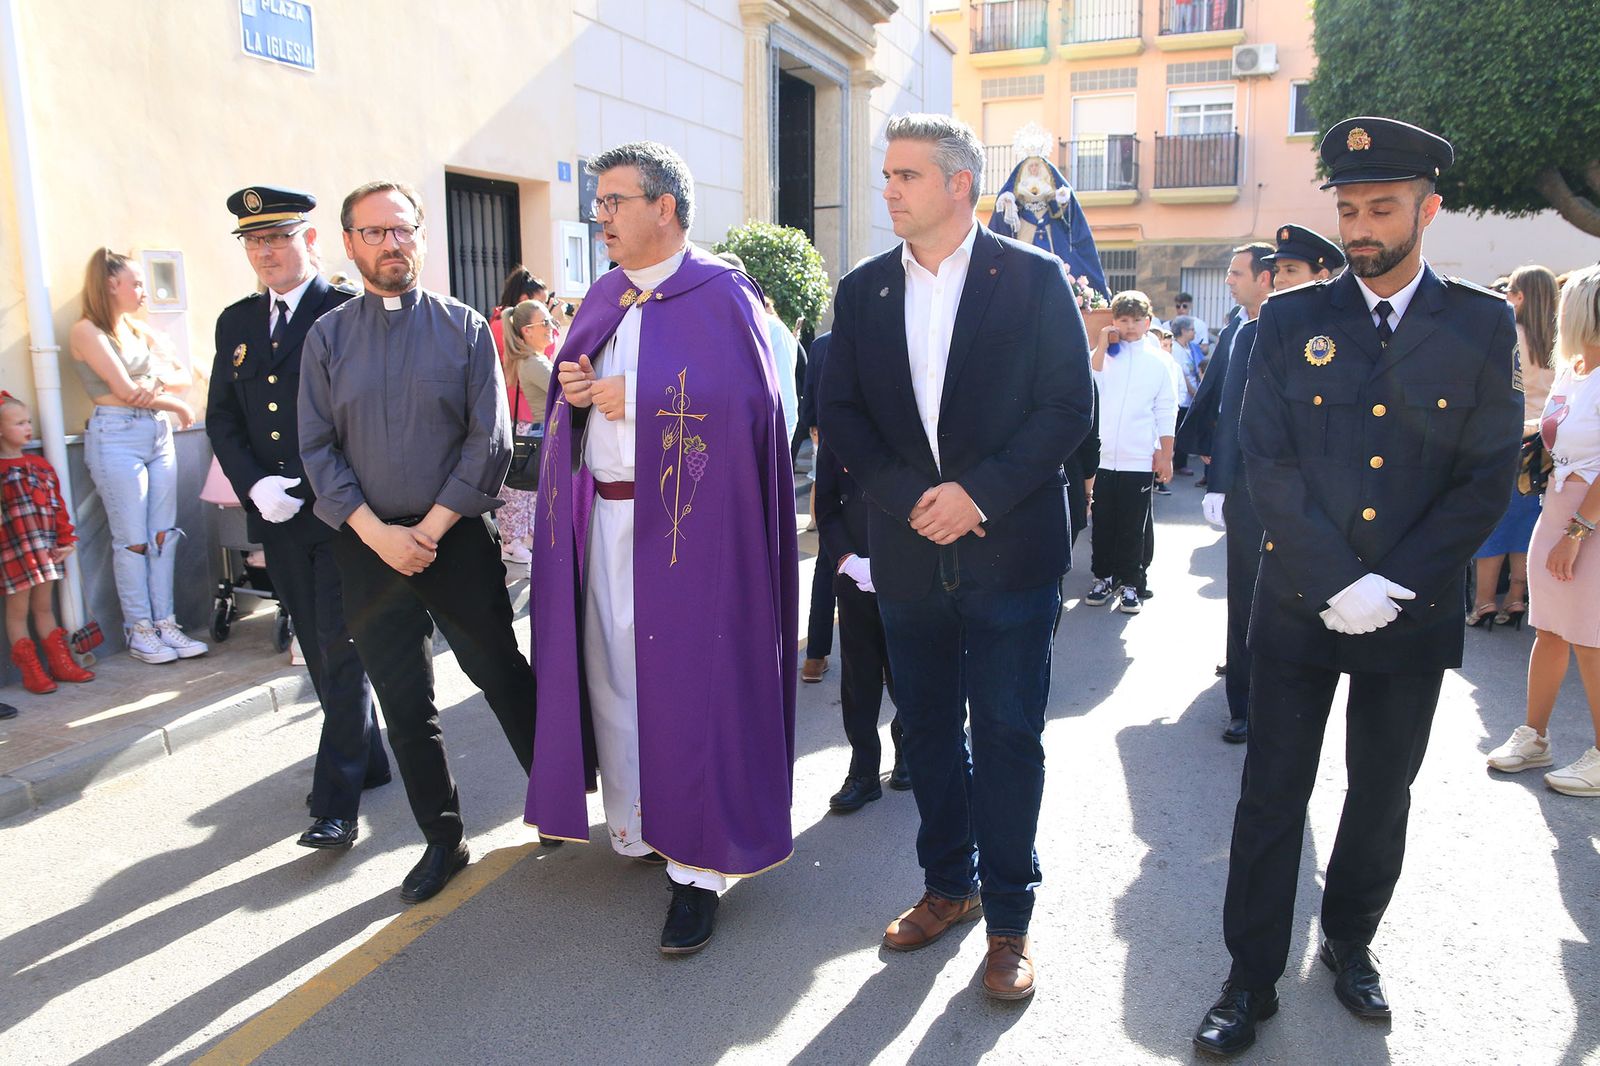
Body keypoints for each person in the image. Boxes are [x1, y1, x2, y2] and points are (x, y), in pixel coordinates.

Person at [1193, 117, 1522, 1055]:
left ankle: (1350, 942)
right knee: (1270, 795)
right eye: (1348, 209)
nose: (1362, 227)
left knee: (1382, 792)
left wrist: (1397, 585)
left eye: (1382, 208)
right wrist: (1338, 580)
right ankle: (1250, 976)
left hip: (1410, 613)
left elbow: (1484, 477)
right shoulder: (1292, 319)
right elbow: (1270, 460)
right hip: (1301, 602)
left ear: (1430, 207)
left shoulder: (1479, 322)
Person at [822, 113, 1092, 1001]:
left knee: (1010, 735)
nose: (889, 189)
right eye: (887, 175)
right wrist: (911, 499)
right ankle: (951, 885)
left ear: (959, 185)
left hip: (1009, 550)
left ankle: (1010, 922)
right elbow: (845, 417)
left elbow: (1064, 409)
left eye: (905, 175)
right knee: (927, 731)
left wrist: (978, 493)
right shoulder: (862, 293)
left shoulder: (1036, 278)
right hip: (906, 556)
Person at [524, 142, 798, 956]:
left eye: (613, 202)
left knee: (694, 687)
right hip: (606, 521)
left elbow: (750, 407)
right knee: (616, 673)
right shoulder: (606, 293)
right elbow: (586, 391)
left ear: (665, 208)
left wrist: (631, 400)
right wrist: (579, 395)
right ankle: (641, 823)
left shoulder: (721, 293)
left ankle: (701, 870)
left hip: (693, 535)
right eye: (598, 204)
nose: (598, 217)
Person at [299, 180, 537, 904]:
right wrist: (377, 534)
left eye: (402, 230)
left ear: (422, 236)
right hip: (367, 550)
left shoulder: (464, 329)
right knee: (405, 706)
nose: (390, 244)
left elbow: (488, 438)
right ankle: (443, 839)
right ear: (349, 244)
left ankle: (561, 804)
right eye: (374, 233)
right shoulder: (328, 338)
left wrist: (428, 531)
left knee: (502, 675)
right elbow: (316, 448)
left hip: (454, 539)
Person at [207, 185, 390, 851]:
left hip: (340, 516)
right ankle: (368, 759)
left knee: (341, 651)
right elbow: (221, 417)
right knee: (317, 649)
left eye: (279, 237)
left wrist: (322, 490)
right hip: (278, 518)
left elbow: (365, 417)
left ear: (310, 241)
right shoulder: (237, 323)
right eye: (255, 240)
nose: (266, 250)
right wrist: (255, 485)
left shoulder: (343, 311)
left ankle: (334, 804)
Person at [1205, 230, 1343, 744]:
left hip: (1319, 496)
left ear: (1321, 276)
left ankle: (1296, 703)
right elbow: (1230, 417)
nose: (1281, 279)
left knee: (1310, 599)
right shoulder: (1252, 331)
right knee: (1248, 596)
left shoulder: (1343, 334)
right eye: (1278, 270)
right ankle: (1243, 702)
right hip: (1253, 491)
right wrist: (1219, 484)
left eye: (1293, 271)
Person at [1485, 264, 1600, 796]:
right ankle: (1535, 735)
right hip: (1558, 508)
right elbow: (1553, 429)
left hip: (1586, 517)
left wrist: (1577, 532)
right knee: (1550, 627)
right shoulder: (1575, 369)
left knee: (1590, 638)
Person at [69, 249, 208, 664]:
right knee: (132, 541)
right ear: (111, 284)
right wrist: (175, 404)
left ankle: (166, 624)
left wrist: (154, 386)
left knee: (163, 535)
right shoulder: (87, 331)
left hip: (155, 432)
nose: (144, 291)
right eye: (136, 282)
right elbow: (124, 389)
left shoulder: (137, 330)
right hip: (116, 434)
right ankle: (140, 630)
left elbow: (185, 374)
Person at [814, 436, 907, 811]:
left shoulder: (906, 419)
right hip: (853, 575)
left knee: (907, 672)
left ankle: (909, 747)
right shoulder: (839, 431)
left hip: (907, 574)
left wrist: (894, 561)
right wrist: (848, 559)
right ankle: (864, 770)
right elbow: (826, 506)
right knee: (859, 678)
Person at [1468, 265, 1559, 628]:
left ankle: (1484, 601)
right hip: (1548, 440)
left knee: (1492, 523)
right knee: (1527, 525)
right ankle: (1517, 598)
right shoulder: (1560, 338)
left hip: (1508, 436)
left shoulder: (1511, 334)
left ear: (1519, 296)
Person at [1085, 290, 1177, 615]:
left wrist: (1165, 454)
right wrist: (1101, 343)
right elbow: (1091, 383)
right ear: (1114, 321)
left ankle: (1130, 584)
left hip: (1138, 458)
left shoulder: (1159, 362)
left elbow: (1166, 410)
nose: (1131, 326)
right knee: (1103, 522)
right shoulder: (1104, 356)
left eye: (1137, 320)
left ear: (1148, 322)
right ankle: (1102, 577)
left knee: (1132, 525)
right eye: (1124, 320)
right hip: (1104, 458)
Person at [0, 394, 96, 696]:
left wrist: (66, 539)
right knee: (18, 610)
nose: (27, 427)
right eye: (18, 423)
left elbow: (58, 507)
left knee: (43, 607)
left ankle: (60, 663)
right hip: (14, 551)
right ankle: (31, 671)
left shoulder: (40, 465)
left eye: (28, 421)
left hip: (45, 549)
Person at [495, 298, 558, 564]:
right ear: (526, 331)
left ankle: (523, 536)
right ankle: (511, 542)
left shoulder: (532, 359)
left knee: (529, 489)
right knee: (520, 490)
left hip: (532, 431)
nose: (551, 327)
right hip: (531, 433)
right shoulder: (533, 363)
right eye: (545, 322)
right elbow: (561, 387)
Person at [798, 329, 835, 684]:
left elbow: (807, 404)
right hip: (874, 462)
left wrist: (815, 433)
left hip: (829, 454)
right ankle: (886, 663)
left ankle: (815, 656)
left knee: (828, 558)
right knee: (880, 560)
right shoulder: (884, 333)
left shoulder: (822, 344)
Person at [1169, 315, 1203, 476]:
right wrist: (1193, 392)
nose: (1194, 332)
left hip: (1191, 397)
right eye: (1191, 329)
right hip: (1183, 398)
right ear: (1183, 330)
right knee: (1179, 432)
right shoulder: (1176, 349)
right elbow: (1181, 374)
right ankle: (1178, 463)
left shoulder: (1189, 347)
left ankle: (1179, 462)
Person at [487, 267, 548, 358]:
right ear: (524, 300)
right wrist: (550, 326)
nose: (545, 308)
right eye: (541, 303)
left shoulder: (508, 322)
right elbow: (539, 361)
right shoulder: (503, 325)